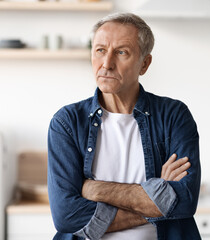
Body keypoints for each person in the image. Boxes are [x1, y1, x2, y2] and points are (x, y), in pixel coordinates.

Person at [47, 13, 201, 240]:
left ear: (145, 64)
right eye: (100, 50)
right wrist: (158, 200)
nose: (106, 64)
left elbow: (184, 200)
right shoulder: (67, 122)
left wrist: (96, 190)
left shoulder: (174, 116)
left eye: (121, 52)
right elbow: (67, 216)